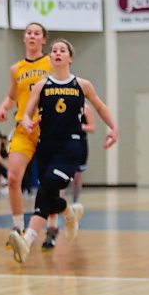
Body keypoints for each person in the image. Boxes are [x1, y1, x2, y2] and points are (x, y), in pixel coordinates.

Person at [8, 38, 118, 263]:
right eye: (54, 50)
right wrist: (27, 122)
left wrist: (114, 128)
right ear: (50, 58)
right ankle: (69, 212)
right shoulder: (41, 86)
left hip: (70, 146)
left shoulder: (82, 84)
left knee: (47, 187)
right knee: (48, 193)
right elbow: (27, 113)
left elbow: (100, 106)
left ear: (70, 57)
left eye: (62, 50)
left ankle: (28, 240)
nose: (57, 53)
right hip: (46, 145)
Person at [0, 22, 52, 243]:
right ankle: (18, 227)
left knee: (50, 181)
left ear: (43, 39)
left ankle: (52, 228)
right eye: (29, 32)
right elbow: (12, 96)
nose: (32, 36)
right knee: (12, 178)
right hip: (23, 128)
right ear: (24, 38)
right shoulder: (16, 69)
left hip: (47, 128)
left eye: (37, 33)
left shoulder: (51, 62)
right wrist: (3, 107)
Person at [41, 102, 96, 251]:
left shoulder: (85, 108)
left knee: (77, 178)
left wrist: (80, 127)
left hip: (79, 145)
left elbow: (92, 127)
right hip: (61, 145)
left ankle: (75, 203)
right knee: (57, 183)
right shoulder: (59, 105)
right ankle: (64, 208)